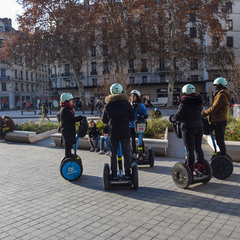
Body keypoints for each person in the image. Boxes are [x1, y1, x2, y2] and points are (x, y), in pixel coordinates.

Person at [170, 84, 205, 176]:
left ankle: (190, 169)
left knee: (190, 150)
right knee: (198, 148)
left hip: (188, 128)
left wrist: (171, 118)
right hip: (199, 127)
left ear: (184, 92)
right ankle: (201, 168)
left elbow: (178, 116)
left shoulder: (184, 102)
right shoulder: (199, 101)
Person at [102, 83, 134, 179]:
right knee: (127, 152)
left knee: (113, 153)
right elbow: (132, 117)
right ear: (121, 91)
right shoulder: (127, 104)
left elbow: (104, 120)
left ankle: (115, 174)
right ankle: (127, 173)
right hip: (125, 132)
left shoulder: (108, 106)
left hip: (113, 132)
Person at [202, 77, 233, 156]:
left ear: (220, 85)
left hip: (219, 121)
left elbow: (214, 108)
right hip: (219, 120)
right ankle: (222, 153)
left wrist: (204, 113)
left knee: (220, 139)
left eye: (215, 85)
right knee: (219, 139)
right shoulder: (221, 93)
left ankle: (223, 155)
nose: (214, 87)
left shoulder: (222, 95)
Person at [59, 93, 85, 158]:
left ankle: (69, 156)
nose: (73, 102)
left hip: (68, 130)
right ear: (67, 101)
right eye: (71, 101)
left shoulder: (67, 109)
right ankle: (68, 157)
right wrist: (80, 117)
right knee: (68, 145)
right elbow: (72, 119)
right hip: (67, 131)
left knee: (69, 146)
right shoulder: (65, 109)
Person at [129, 90, 148, 159]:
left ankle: (142, 152)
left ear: (137, 97)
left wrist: (145, 115)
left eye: (134, 96)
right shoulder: (129, 105)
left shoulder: (141, 105)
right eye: (131, 96)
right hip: (131, 124)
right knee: (133, 139)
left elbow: (145, 113)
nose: (132, 97)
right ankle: (134, 152)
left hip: (139, 124)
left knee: (140, 138)